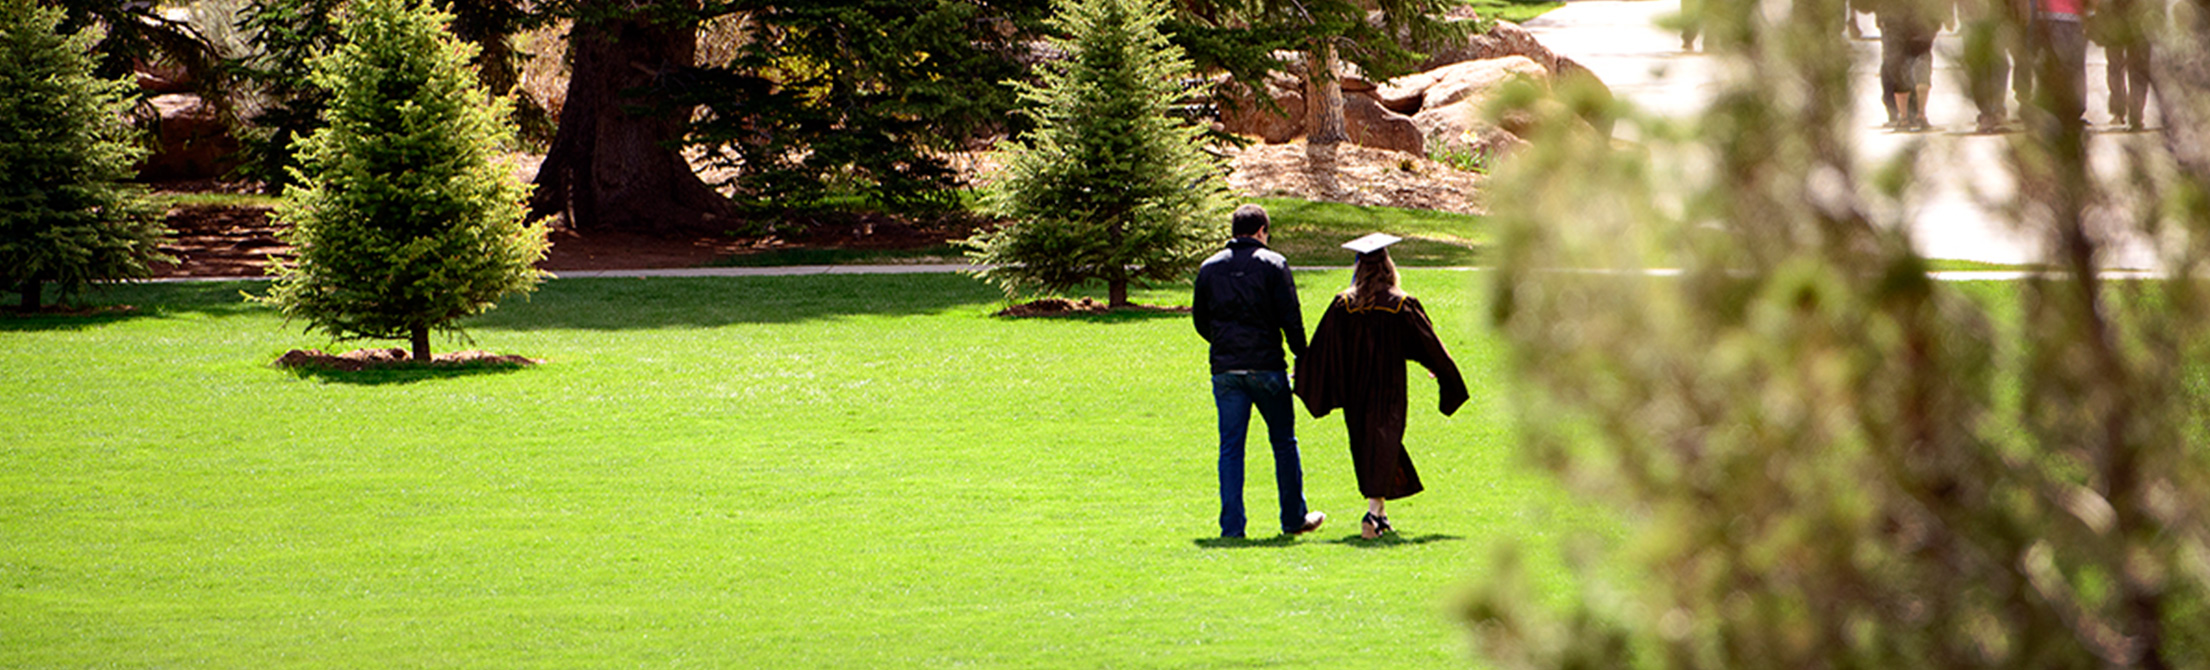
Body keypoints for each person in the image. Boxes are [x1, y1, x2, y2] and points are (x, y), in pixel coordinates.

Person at [1293, 234, 1468, 539]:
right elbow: (1428, 343)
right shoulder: (1400, 304)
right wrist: (1442, 371)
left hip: (1356, 390)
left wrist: (1305, 371)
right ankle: (1373, 515)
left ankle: (1381, 515)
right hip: (1388, 389)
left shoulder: (1344, 304)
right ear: (1388, 267)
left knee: (1370, 445)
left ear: (1358, 268)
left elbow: (1323, 347)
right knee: (1385, 443)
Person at [1192, 204, 1326, 539]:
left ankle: (1232, 528)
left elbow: (1200, 320)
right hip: (1266, 364)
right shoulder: (1274, 264)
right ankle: (1294, 518)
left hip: (1225, 367)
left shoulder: (1209, 268)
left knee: (1231, 448)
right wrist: (1302, 354)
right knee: (1283, 441)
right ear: (1262, 231)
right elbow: (1290, 317)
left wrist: (1223, 343)